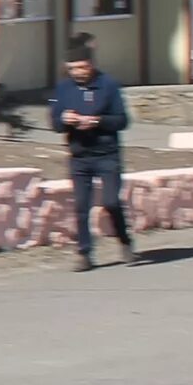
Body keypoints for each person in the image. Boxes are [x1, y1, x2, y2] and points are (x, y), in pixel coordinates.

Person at [49, 37, 136, 270]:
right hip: (79, 156)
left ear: (91, 64)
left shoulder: (108, 85)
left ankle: (124, 241)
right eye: (73, 68)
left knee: (111, 202)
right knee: (81, 206)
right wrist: (65, 119)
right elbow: (55, 122)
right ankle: (84, 253)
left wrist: (97, 121)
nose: (78, 72)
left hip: (106, 154)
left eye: (82, 67)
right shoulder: (63, 88)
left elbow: (122, 120)